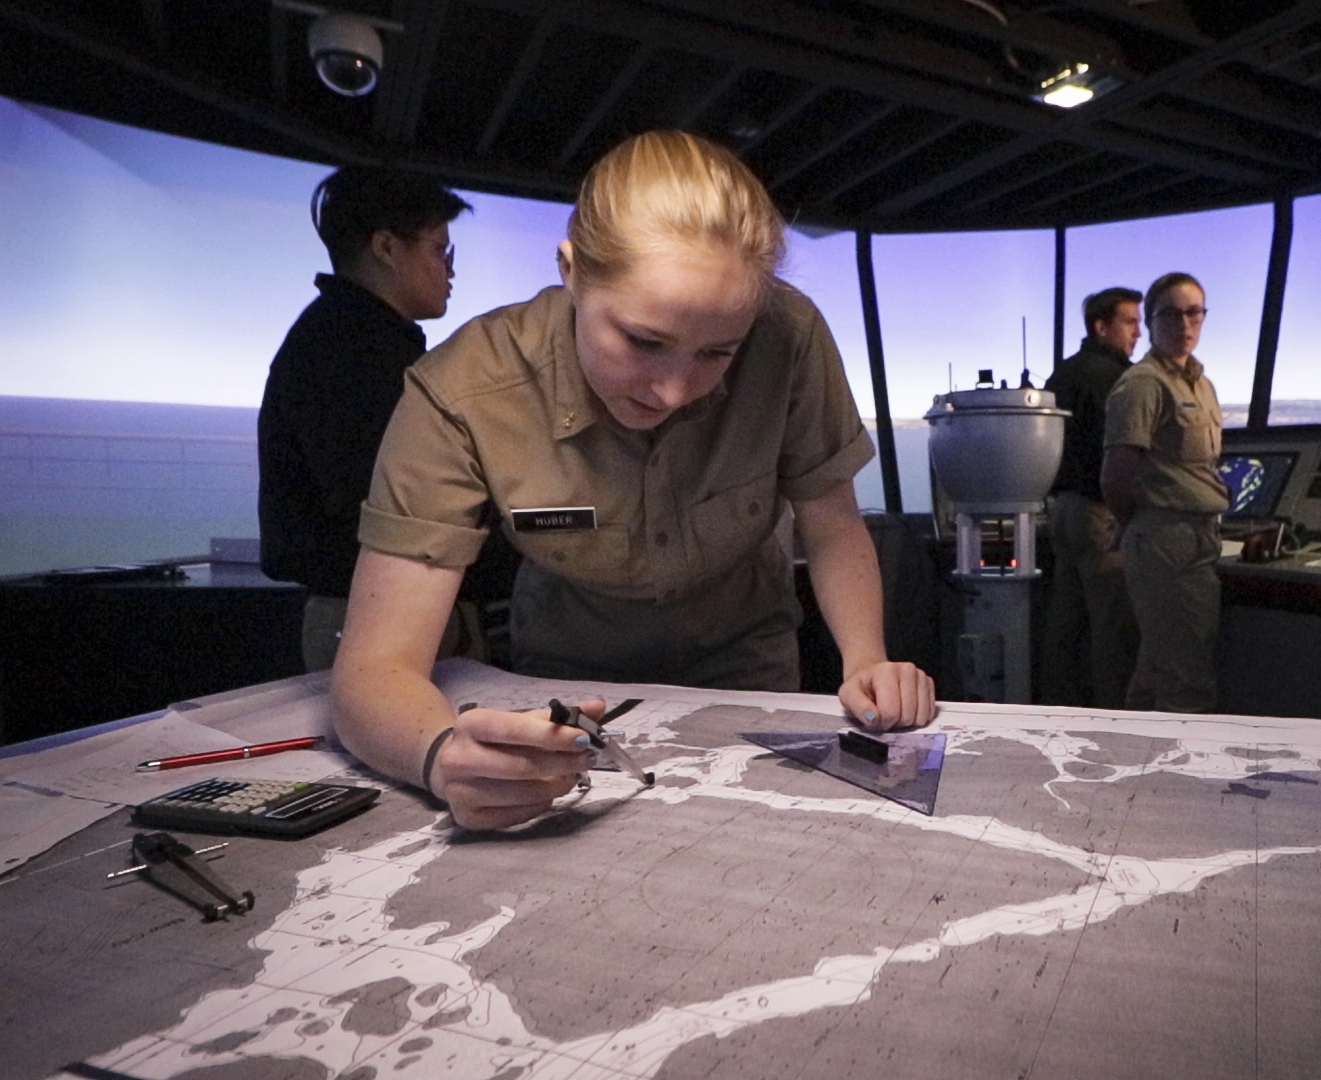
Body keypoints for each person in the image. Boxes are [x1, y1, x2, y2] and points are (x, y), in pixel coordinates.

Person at [331, 131, 936, 830]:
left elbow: (831, 527)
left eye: (718, 353)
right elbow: (374, 667)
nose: (675, 392)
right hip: (564, 696)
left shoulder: (790, 338)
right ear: (572, 272)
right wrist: (442, 757)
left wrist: (867, 662)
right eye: (644, 342)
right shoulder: (463, 392)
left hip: (751, 680)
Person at [258, 166, 484, 671]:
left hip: (371, 608)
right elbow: (387, 504)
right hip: (373, 613)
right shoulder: (351, 353)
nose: (449, 268)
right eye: (438, 249)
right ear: (386, 247)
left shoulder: (347, 340)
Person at [1100, 272, 1230, 713]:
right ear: (1151, 324)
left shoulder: (1201, 385)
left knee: (1157, 669)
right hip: (1165, 541)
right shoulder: (1143, 384)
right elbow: (1117, 474)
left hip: (1198, 536)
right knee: (1187, 681)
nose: (1185, 324)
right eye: (1171, 314)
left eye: (1194, 313)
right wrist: (1138, 524)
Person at [1041, 287, 1143, 708]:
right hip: (1102, 514)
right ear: (1101, 327)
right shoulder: (1117, 381)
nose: (1139, 332)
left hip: (1063, 514)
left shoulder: (1061, 375)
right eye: (1130, 322)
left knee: (1063, 629)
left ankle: (1055, 711)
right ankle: (1111, 721)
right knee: (1110, 630)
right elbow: (1122, 454)